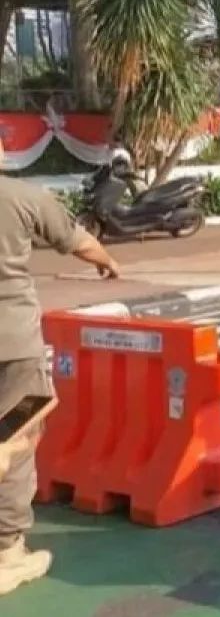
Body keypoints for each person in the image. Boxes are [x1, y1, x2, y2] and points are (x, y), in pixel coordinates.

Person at [0, 168, 120, 595]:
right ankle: (7, 550)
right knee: (17, 434)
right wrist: (108, 262)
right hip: (13, 343)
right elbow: (77, 241)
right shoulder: (22, 197)